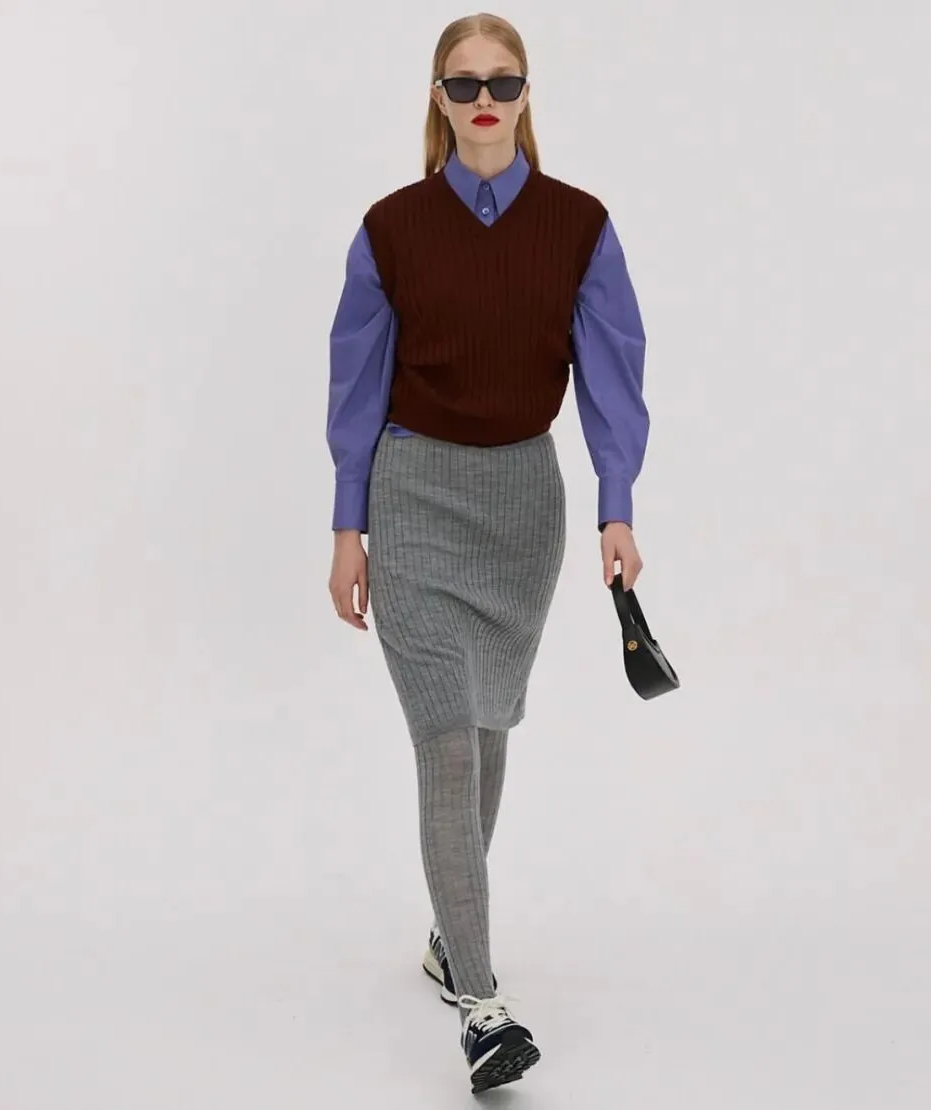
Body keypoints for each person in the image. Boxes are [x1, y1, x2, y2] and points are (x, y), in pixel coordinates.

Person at [326, 11, 649, 1094]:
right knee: (447, 743)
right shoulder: (389, 229)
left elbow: (613, 375)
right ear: (437, 96)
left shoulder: (580, 226)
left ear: (525, 95)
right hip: (413, 494)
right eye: (462, 83)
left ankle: (445, 940)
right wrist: (347, 526)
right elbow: (355, 384)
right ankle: (481, 1002)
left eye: (502, 82)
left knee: (490, 727)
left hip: (522, 508)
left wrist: (616, 507)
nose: (483, 101)